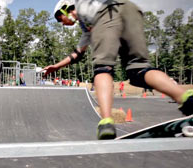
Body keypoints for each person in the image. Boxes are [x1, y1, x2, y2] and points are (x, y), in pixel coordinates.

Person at [43, 0, 193, 140]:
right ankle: (185, 98)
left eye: (59, 19)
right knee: (138, 70)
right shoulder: (86, 28)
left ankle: (106, 122)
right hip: (130, 9)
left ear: (65, 9)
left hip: (106, 12)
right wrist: (56, 67)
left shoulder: (81, 3)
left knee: (102, 68)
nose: (62, 24)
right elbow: (77, 54)